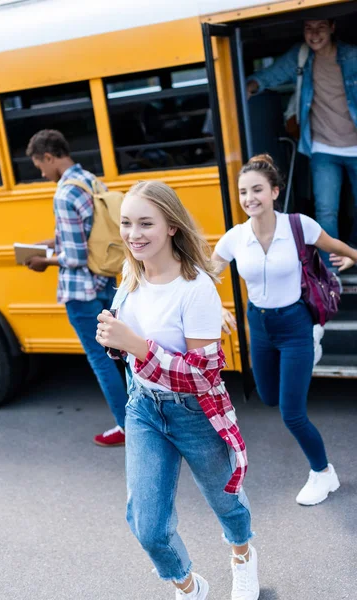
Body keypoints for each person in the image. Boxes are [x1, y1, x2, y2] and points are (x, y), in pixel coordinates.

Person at [96, 180, 259, 600]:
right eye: (127, 223)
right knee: (147, 525)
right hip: (144, 409)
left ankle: (242, 556)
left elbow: (202, 376)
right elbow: (128, 350)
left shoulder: (197, 288)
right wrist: (115, 342)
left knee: (227, 503)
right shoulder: (129, 278)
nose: (134, 234)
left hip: (195, 413)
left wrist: (135, 345)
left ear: (171, 226)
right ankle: (188, 585)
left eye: (146, 223)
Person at [213, 154, 357, 506]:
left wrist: (352, 256)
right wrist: (216, 307)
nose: (250, 198)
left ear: (275, 191)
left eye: (258, 190)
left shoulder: (298, 226)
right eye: (244, 191)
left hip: (294, 324)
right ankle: (310, 349)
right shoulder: (234, 238)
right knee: (267, 396)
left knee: (292, 412)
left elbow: (338, 248)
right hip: (259, 324)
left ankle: (323, 473)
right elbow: (203, 277)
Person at [24, 129, 127, 447]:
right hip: (106, 280)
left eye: (40, 165)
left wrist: (45, 262)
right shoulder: (91, 180)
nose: (42, 173)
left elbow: (76, 255)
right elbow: (89, 231)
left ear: (49, 157)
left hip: (81, 292)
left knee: (101, 359)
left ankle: (127, 427)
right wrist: (50, 242)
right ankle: (144, 419)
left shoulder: (63, 193)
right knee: (124, 354)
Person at [247, 19, 357, 267]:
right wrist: (250, 87)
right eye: (309, 28)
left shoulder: (351, 56)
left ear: (332, 27)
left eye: (321, 27)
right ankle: (330, 271)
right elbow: (272, 74)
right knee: (326, 211)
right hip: (322, 148)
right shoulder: (302, 56)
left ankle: (352, 252)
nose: (314, 34)